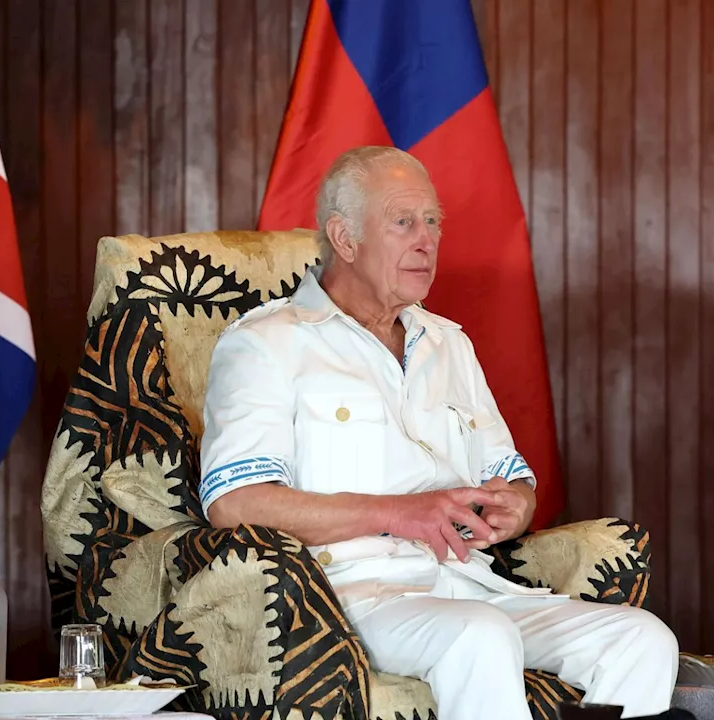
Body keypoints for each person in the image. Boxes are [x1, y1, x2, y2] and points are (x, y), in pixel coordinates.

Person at [199, 146, 678, 719]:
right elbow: (233, 503)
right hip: (349, 596)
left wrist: (513, 507)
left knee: (644, 639)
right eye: (403, 222)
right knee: (478, 638)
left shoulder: (449, 341)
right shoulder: (266, 343)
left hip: (470, 585)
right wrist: (399, 513)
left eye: (433, 222)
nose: (426, 240)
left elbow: (510, 475)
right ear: (344, 239)